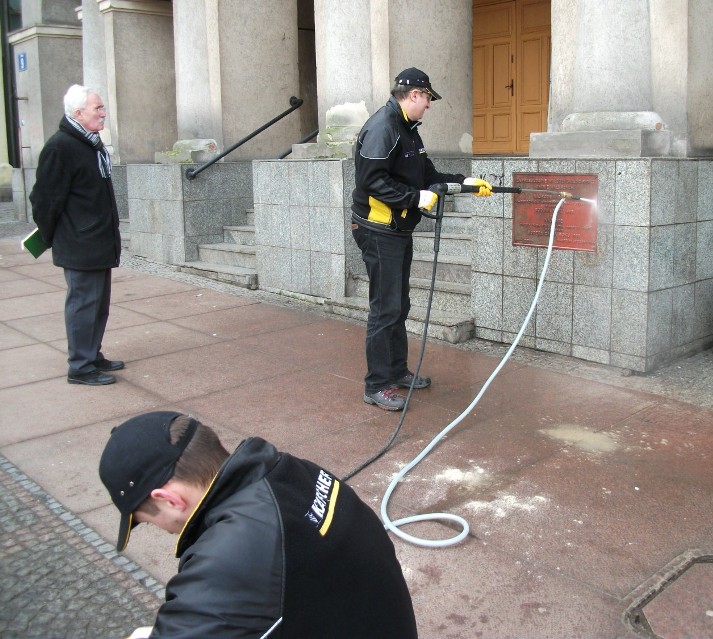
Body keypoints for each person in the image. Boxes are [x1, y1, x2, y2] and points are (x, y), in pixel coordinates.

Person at [99, 411, 419, 639]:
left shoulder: (229, 556)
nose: (165, 529)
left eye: (148, 519)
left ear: (169, 499)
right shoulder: (293, 472)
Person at [351, 67, 492, 410]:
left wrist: (464, 182)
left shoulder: (408, 130)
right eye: (427, 97)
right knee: (385, 308)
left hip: (398, 230)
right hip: (377, 230)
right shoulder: (383, 128)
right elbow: (372, 181)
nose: (429, 105)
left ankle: (396, 371)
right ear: (414, 94)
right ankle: (376, 385)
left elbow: (426, 175)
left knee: (399, 305)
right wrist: (413, 199)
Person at [30, 84, 123, 386]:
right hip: (79, 242)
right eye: (98, 108)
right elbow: (44, 200)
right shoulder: (61, 147)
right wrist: (51, 235)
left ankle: (91, 354)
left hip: (97, 240)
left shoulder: (90, 143)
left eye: (102, 108)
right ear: (78, 113)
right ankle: (80, 366)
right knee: (83, 304)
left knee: (98, 304)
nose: (103, 113)